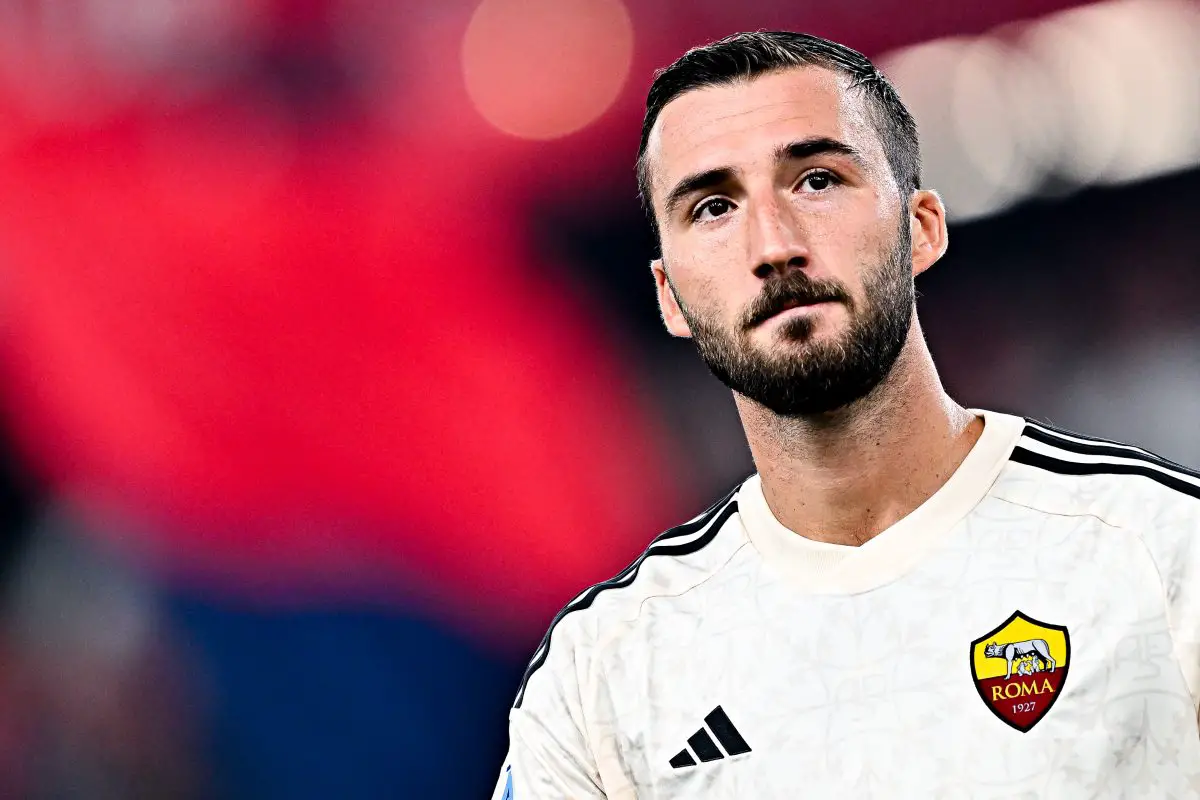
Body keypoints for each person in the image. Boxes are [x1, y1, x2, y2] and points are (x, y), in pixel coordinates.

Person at [492, 31, 1200, 798]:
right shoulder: (604, 671)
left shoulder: (1161, 557)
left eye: (817, 180)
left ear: (922, 227)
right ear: (670, 295)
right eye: (714, 206)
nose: (774, 245)